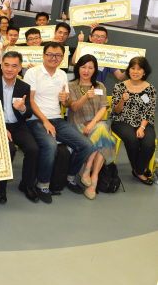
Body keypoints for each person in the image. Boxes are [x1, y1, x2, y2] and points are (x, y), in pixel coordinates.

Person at [24, 42, 94, 203]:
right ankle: (42, 185)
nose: (53, 58)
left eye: (58, 55)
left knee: (86, 145)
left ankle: (69, 177)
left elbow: (67, 104)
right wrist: (45, 122)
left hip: (57, 119)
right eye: (50, 54)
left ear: (62, 58)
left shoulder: (62, 75)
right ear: (43, 55)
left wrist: (66, 99)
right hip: (36, 120)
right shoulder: (32, 73)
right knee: (50, 145)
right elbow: (31, 102)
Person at [0, 51, 40, 203]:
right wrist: (1, 127)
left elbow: (28, 113)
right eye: (6, 65)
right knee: (9, 150)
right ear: (1, 65)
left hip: (18, 125)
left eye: (14, 66)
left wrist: (22, 109)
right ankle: (1, 188)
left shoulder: (24, 87)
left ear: (20, 68)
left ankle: (26, 185)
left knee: (33, 149)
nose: (9, 69)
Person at [68, 55, 117, 199]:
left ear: (95, 70)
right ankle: (92, 181)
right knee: (104, 136)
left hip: (96, 124)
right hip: (77, 125)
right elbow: (74, 108)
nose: (86, 70)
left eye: (90, 67)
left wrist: (94, 122)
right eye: (83, 67)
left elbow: (103, 108)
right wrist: (85, 97)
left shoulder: (100, 86)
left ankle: (89, 171)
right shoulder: (72, 86)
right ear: (78, 68)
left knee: (101, 128)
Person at [111, 56, 156, 186]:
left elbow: (149, 110)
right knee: (132, 140)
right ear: (128, 70)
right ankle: (141, 171)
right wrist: (122, 100)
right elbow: (117, 111)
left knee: (149, 144)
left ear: (144, 72)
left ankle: (138, 169)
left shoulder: (150, 89)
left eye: (139, 69)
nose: (135, 72)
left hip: (143, 122)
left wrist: (142, 127)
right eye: (132, 68)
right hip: (121, 121)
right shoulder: (119, 86)